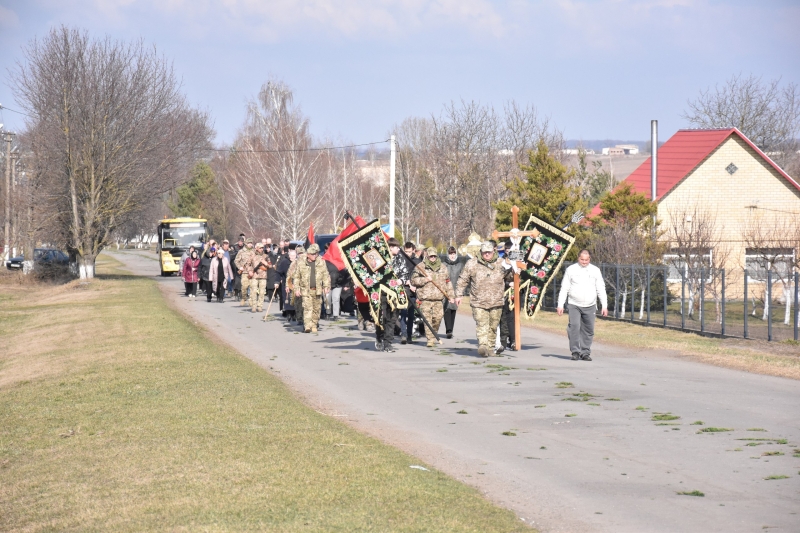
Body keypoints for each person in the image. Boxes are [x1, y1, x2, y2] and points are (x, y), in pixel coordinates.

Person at [455, 241, 515, 357]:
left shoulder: (501, 263)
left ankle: (491, 348)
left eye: (489, 252)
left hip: (496, 301)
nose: (487, 254)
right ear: (481, 252)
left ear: (494, 251)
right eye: (484, 252)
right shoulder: (472, 263)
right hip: (478, 301)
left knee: (493, 326)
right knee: (482, 324)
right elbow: (463, 279)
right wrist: (459, 294)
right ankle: (483, 345)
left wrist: (515, 271)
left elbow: (509, 277)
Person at [557, 249, 608, 361]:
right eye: (582, 259)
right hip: (574, 304)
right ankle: (575, 351)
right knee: (574, 326)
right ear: (578, 258)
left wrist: (604, 305)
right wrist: (560, 304)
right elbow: (564, 288)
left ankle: (585, 352)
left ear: (589, 259)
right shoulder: (571, 270)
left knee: (588, 330)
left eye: (586, 260)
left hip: (590, 305)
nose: (584, 262)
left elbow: (601, 288)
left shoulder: (595, 270)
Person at [411, 247, 455, 347]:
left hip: (438, 299)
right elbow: (413, 280)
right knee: (427, 320)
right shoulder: (420, 267)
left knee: (438, 318)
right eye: (431, 256)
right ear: (427, 256)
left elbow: (448, 282)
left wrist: (451, 296)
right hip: (425, 298)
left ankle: (433, 333)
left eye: (434, 256)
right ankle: (430, 339)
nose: (433, 258)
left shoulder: (443, 267)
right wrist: (425, 279)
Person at [293, 243, 331, 333]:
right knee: (307, 308)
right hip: (306, 290)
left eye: (316, 253)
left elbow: (325, 275)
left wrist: (326, 286)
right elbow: (297, 277)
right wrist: (297, 289)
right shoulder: (301, 263)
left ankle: (314, 324)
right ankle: (307, 326)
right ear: (308, 254)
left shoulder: (321, 262)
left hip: (317, 290)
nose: (315, 255)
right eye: (313, 254)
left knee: (316, 309)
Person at [375, 240, 403, 352]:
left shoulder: (400, 259)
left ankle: (388, 344)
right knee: (382, 318)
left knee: (392, 319)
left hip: (394, 294)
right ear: (390, 247)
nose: (399, 249)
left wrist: (402, 280)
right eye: (396, 247)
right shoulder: (380, 259)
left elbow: (405, 273)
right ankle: (379, 338)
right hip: (381, 293)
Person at [441, 246, 467, 339]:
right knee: (446, 309)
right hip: (446, 291)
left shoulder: (460, 265)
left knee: (453, 309)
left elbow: (463, 278)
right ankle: (448, 330)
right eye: (450, 254)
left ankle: (451, 329)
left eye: (453, 254)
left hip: (456, 290)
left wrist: (461, 293)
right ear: (448, 254)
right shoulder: (443, 264)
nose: (452, 256)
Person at [398, 241, 419, 344]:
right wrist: (405, 282)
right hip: (403, 289)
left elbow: (419, 276)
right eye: (406, 251)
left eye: (409, 252)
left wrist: (414, 285)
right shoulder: (400, 260)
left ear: (413, 250)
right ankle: (403, 335)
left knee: (411, 315)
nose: (407, 253)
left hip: (413, 291)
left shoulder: (418, 262)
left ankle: (410, 335)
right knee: (403, 313)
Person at [246, 243, 272, 312]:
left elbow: (270, 266)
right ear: (256, 248)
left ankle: (260, 306)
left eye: (262, 248)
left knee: (262, 292)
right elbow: (247, 264)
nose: (261, 249)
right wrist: (249, 271)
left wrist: (265, 263)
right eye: (260, 248)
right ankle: (254, 306)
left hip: (263, 276)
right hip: (254, 276)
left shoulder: (266, 256)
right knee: (253, 291)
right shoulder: (252, 255)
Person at [276, 248, 297, 320]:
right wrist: (277, 282)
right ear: (289, 256)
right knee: (287, 298)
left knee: (294, 299)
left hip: (296, 283)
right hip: (286, 283)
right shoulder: (284, 262)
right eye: (291, 256)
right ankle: (288, 313)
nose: (293, 257)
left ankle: (294, 314)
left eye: (294, 256)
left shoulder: (298, 262)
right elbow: (278, 272)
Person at [235, 238, 255, 306]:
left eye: (251, 243)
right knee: (244, 287)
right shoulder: (241, 251)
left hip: (252, 272)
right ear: (246, 243)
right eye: (249, 243)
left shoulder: (254, 251)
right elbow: (236, 260)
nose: (250, 244)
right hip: (244, 272)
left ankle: (251, 300)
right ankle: (243, 298)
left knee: (253, 287)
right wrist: (239, 267)